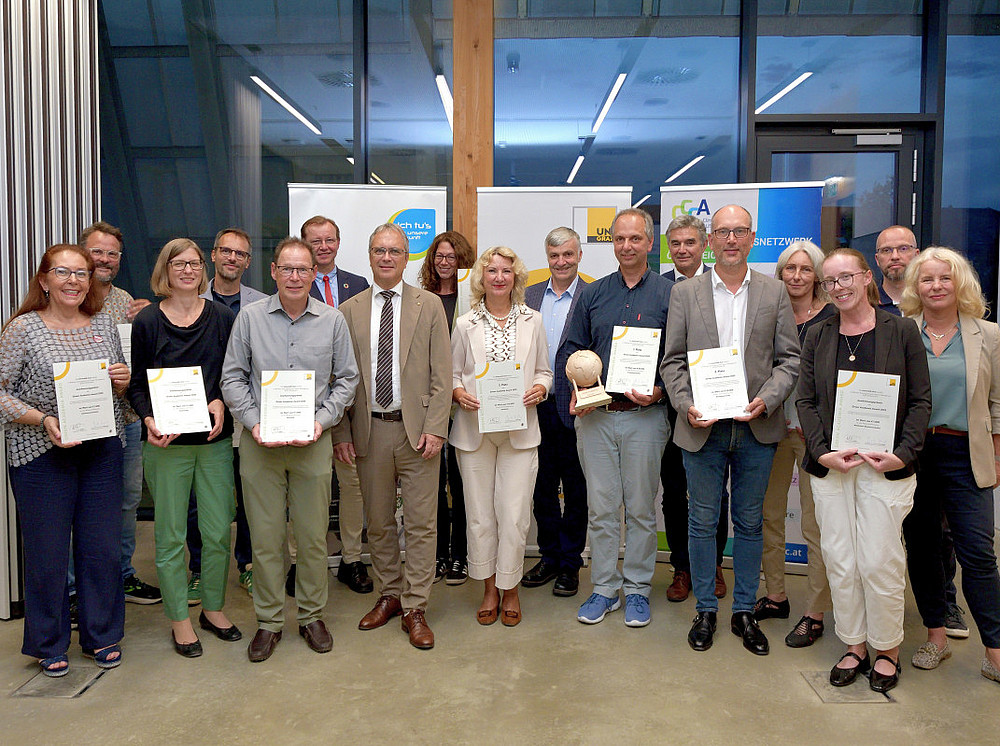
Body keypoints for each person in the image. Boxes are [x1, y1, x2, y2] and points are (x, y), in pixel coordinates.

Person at [661, 204, 799, 657]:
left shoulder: (774, 292)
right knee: (702, 522)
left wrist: (768, 399)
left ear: (752, 237)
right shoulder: (685, 293)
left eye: (740, 231)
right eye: (723, 232)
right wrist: (686, 405)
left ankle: (743, 611)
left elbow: (789, 360)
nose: (732, 240)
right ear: (710, 240)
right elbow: (673, 361)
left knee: (750, 522)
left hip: (757, 427)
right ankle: (705, 610)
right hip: (703, 428)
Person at [796, 248, 930, 693]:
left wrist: (903, 453)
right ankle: (854, 644)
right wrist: (821, 453)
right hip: (833, 467)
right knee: (840, 559)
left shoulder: (902, 330)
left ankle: (887, 648)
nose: (839, 287)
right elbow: (806, 401)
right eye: (830, 281)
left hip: (884, 466)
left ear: (866, 277)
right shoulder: (818, 334)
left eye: (846, 277)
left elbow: (920, 400)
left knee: (879, 561)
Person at [222, 236, 359, 663]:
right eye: (287, 268)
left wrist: (322, 421)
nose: (295, 276)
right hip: (260, 444)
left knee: (313, 537)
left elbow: (348, 380)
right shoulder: (249, 319)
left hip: (312, 443)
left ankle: (312, 616)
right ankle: (268, 621)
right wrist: (254, 422)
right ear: (274, 272)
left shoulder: (332, 320)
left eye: (303, 269)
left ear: (314, 274)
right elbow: (232, 378)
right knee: (265, 539)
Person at [0, 244, 130, 676]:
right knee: (48, 552)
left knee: (102, 549)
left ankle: (102, 633)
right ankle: (48, 642)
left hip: (101, 451)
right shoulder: (23, 329)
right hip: (41, 454)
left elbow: (117, 386)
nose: (73, 281)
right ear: (44, 280)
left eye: (81, 273)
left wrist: (122, 380)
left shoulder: (104, 324)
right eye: (63, 272)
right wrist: (42, 419)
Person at [333, 223, 451, 650]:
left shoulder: (429, 305)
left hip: (417, 431)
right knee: (379, 521)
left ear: (406, 257)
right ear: (369, 256)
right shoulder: (348, 310)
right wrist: (341, 431)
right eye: (379, 250)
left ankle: (416, 605)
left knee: (421, 523)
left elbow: (442, 374)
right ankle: (390, 594)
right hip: (369, 430)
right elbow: (340, 377)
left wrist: (436, 427)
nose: (387, 258)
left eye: (395, 251)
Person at [127, 238, 240, 658]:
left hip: (213, 443)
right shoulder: (148, 321)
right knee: (171, 536)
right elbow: (137, 384)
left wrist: (220, 401)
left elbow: (234, 373)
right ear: (165, 270)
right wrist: (148, 419)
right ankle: (179, 619)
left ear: (203, 269)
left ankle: (213, 608)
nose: (188, 270)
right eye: (179, 263)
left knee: (217, 532)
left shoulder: (223, 317)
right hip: (166, 444)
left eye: (194, 263)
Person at [562, 208, 672, 628]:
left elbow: (678, 355)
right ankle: (605, 588)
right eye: (620, 239)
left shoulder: (668, 294)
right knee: (602, 508)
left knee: (641, 509)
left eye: (635, 238)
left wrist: (660, 389)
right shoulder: (593, 293)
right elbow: (573, 349)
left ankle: (638, 589)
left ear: (649, 243)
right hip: (597, 418)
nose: (627, 246)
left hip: (646, 417)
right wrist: (578, 390)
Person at [899, 247, 1000, 685]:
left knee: (979, 553)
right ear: (915, 287)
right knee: (922, 549)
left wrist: (997, 455)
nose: (936, 286)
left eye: (945, 278)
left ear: (960, 283)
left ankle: (995, 650)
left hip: (965, 454)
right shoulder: (902, 332)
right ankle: (935, 636)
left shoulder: (988, 335)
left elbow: (998, 404)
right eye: (927, 279)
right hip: (915, 454)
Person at [451, 246, 553, 626]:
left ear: (516, 277)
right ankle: (489, 588)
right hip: (474, 432)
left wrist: (540, 389)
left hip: (519, 432)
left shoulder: (533, 320)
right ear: (481, 277)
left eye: (506, 271)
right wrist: (458, 393)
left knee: (514, 516)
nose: (498, 277)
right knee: (480, 517)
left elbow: (544, 371)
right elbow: (452, 374)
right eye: (491, 271)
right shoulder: (465, 323)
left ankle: (511, 588)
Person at [755, 241, 834, 648]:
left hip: (813, 435)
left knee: (813, 524)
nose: (797, 276)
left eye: (805, 269)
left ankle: (815, 612)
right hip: (770, 427)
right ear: (780, 272)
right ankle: (776, 596)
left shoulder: (833, 318)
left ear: (817, 275)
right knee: (769, 514)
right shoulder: (769, 311)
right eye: (790, 268)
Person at [78, 222, 159, 607]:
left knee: (127, 500)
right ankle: (75, 589)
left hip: (124, 419)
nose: (105, 259)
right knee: (79, 504)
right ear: (83, 254)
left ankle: (123, 575)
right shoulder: (66, 297)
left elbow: (139, 359)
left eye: (112, 253)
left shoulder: (126, 301)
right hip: (79, 420)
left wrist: (149, 317)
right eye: (97, 251)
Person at [186, 227, 267, 601]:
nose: (233, 258)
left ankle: (247, 565)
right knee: (200, 500)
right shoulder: (187, 299)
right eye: (226, 251)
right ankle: (200, 569)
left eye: (241, 254)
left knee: (251, 494)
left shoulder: (262, 304)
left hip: (251, 412)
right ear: (214, 255)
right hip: (201, 412)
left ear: (248, 262)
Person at [301, 215, 373, 596]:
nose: (323, 247)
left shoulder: (358, 285)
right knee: (303, 488)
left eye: (329, 240)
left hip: (349, 402)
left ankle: (351, 559)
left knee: (352, 486)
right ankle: (301, 564)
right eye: (315, 241)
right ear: (304, 244)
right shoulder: (294, 283)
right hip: (304, 403)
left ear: (339, 243)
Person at [660, 214, 729, 603]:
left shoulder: (721, 286)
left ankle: (714, 564)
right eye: (676, 243)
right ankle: (682, 567)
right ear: (668, 248)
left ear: (705, 245)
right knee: (673, 492)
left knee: (714, 493)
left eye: (690, 242)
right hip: (669, 408)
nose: (683, 249)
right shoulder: (659, 288)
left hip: (715, 406)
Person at [521, 227, 588, 597]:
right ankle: (548, 556)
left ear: (579, 256)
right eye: (554, 256)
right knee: (541, 487)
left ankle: (570, 563)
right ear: (547, 257)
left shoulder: (592, 295)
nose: (561, 262)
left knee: (576, 490)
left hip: (577, 409)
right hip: (534, 407)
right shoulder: (528, 295)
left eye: (568, 255)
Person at [420, 230, 476, 585]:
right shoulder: (421, 299)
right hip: (429, 404)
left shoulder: (472, 301)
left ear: (462, 261)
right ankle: (439, 555)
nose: (445, 262)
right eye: (439, 256)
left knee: (462, 482)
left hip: (464, 404)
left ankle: (461, 556)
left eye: (452, 257)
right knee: (432, 486)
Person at [874, 225, 919, 314]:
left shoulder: (929, 302)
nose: (895, 256)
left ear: (917, 255)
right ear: (877, 259)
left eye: (903, 249)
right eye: (886, 250)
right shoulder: (868, 306)